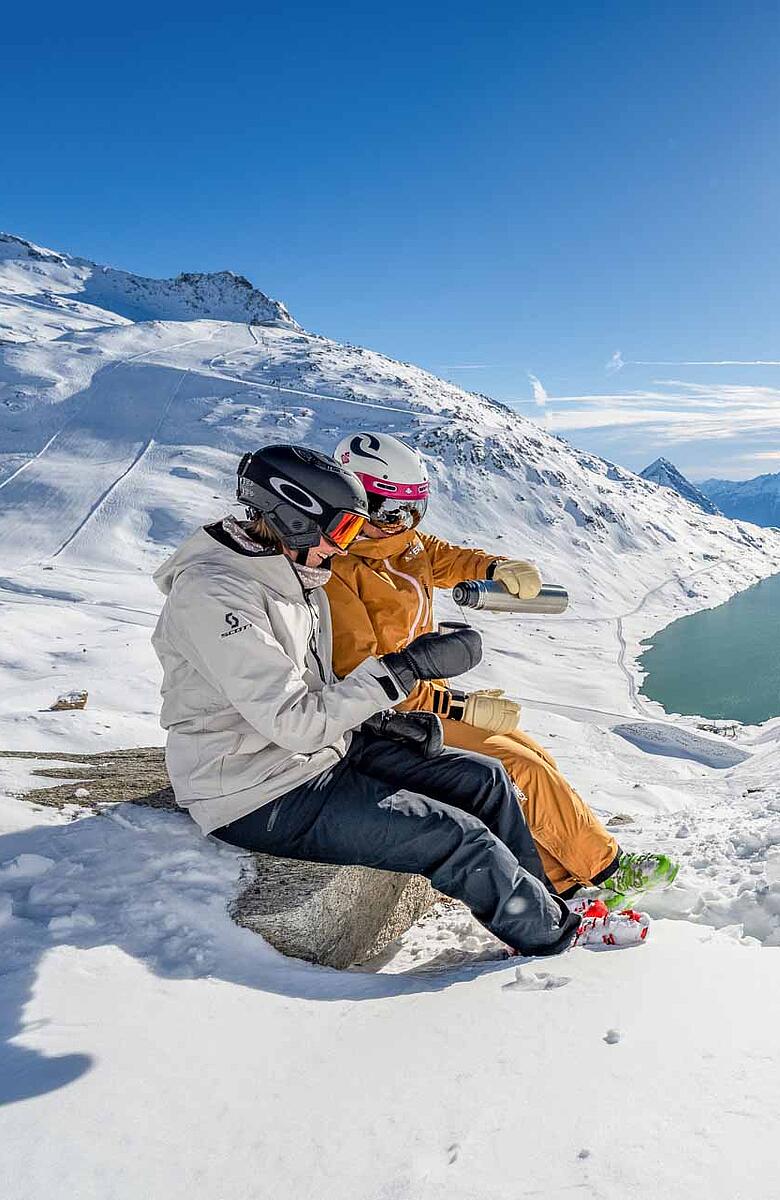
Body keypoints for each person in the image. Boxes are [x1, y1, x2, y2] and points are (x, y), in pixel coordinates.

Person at [151, 443, 631, 959]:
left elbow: (317, 686)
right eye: (341, 533)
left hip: (321, 753)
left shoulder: (290, 568)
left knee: (486, 779)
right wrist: (410, 670)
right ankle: (556, 938)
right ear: (291, 517)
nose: (343, 550)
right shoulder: (217, 597)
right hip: (256, 788)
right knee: (458, 837)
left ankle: (545, 906)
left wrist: (382, 726)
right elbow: (293, 722)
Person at [327, 431, 678, 910]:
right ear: (355, 505)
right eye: (392, 513)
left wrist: (497, 567)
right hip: (391, 719)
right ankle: (603, 872)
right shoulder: (337, 574)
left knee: (532, 753)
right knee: (518, 767)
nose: (405, 524)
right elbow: (366, 682)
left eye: (415, 510)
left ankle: (566, 876)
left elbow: (443, 557)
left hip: (427, 702)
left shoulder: (402, 544)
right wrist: (461, 705)